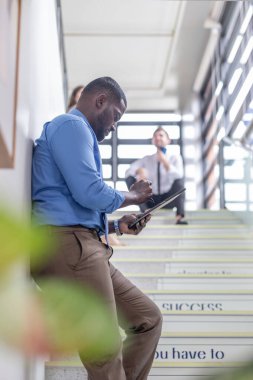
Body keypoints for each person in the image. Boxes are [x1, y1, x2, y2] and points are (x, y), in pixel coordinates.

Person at [31, 77, 162, 380]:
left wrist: (118, 225)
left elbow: (77, 202)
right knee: (104, 350)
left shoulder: (75, 132)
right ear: (100, 101)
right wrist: (134, 196)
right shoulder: (71, 126)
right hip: (69, 245)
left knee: (148, 319)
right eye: (116, 115)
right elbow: (89, 192)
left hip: (84, 244)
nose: (115, 124)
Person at [125, 127, 188, 225]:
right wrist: (139, 171)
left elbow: (179, 176)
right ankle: (145, 213)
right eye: (155, 136)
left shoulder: (175, 158)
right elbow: (129, 171)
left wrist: (165, 162)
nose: (158, 138)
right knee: (130, 179)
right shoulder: (147, 159)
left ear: (168, 140)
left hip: (168, 199)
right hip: (151, 200)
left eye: (161, 135)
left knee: (179, 182)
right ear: (153, 141)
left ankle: (179, 217)